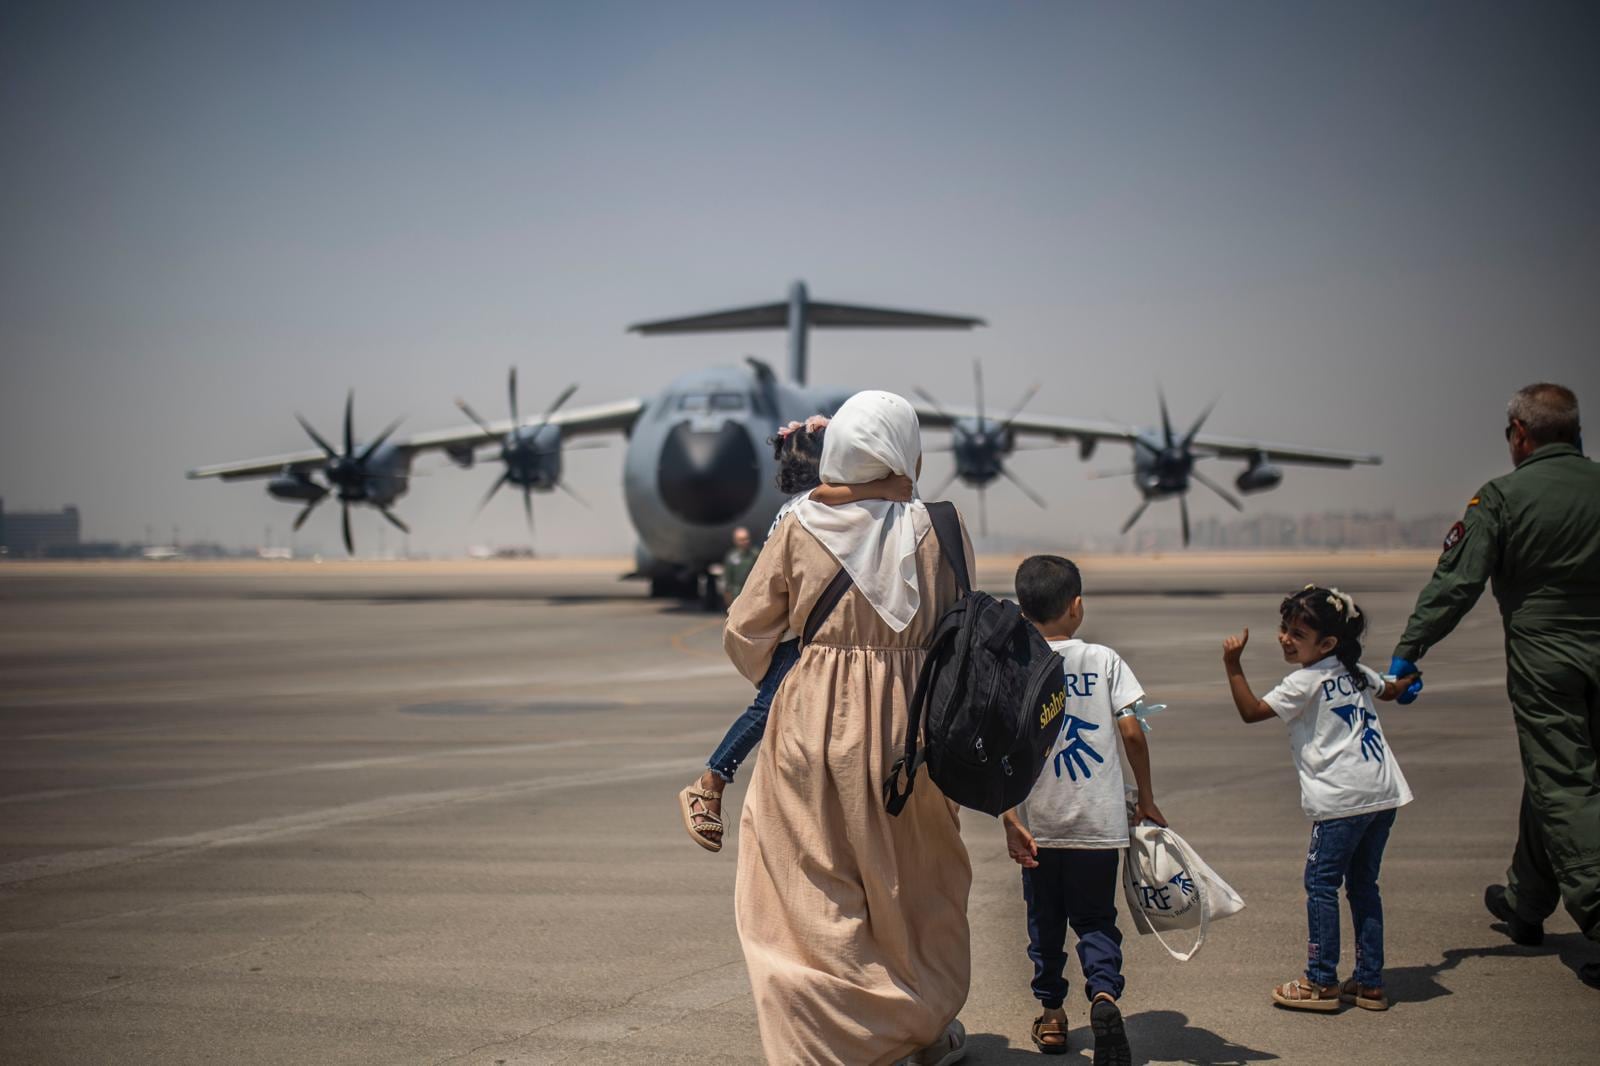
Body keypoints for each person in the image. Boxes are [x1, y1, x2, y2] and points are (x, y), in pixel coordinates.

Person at [723, 390, 974, 1066]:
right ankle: (920, 1023)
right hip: (915, 730)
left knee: (805, 887)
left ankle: (833, 1039)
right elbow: (960, 629)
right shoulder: (939, 527)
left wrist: (815, 670)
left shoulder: (799, 525)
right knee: (914, 883)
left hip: (810, 723)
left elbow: (746, 631)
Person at [1387, 383, 1600, 988]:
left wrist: (1409, 651)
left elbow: (1457, 584)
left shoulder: (1502, 498)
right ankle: (1526, 902)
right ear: (1576, 433)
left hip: (1547, 662)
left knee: (1564, 782)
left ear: (1519, 436)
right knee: (1556, 776)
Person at [678, 418, 912, 852]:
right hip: (797, 640)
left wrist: (832, 425)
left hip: (801, 635)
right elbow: (876, 483)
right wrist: (869, 467)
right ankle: (710, 781)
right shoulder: (811, 508)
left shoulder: (799, 507)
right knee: (767, 710)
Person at [1000, 555, 1164, 1064]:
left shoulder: (1016, 666)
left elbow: (1002, 751)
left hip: (1040, 829)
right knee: (1095, 920)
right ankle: (1104, 996)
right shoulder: (1104, 659)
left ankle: (1052, 1018)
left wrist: (1010, 819)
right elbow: (1133, 730)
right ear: (1077, 607)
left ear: (1023, 612)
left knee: (1044, 925)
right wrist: (1148, 798)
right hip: (1099, 825)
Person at [1221, 586, 1417, 1012]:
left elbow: (1252, 711)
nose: (1286, 638)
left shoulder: (1304, 681)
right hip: (1383, 793)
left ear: (1327, 643)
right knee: (1364, 885)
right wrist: (1407, 681)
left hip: (1342, 801)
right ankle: (1369, 983)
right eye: (1284, 628)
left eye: (1297, 634)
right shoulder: (1355, 670)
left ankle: (1321, 981)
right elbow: (1390, 689)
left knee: (1321, 884)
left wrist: (1233, 666)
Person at [721, 526, 758, 608]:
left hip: (752, 593)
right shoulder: (731, 557)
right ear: (736, 541)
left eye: (746, 539)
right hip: (736, 593)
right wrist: (728, 597)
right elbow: (727, 579)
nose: (745, 542)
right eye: (741, 540)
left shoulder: (755, 555)